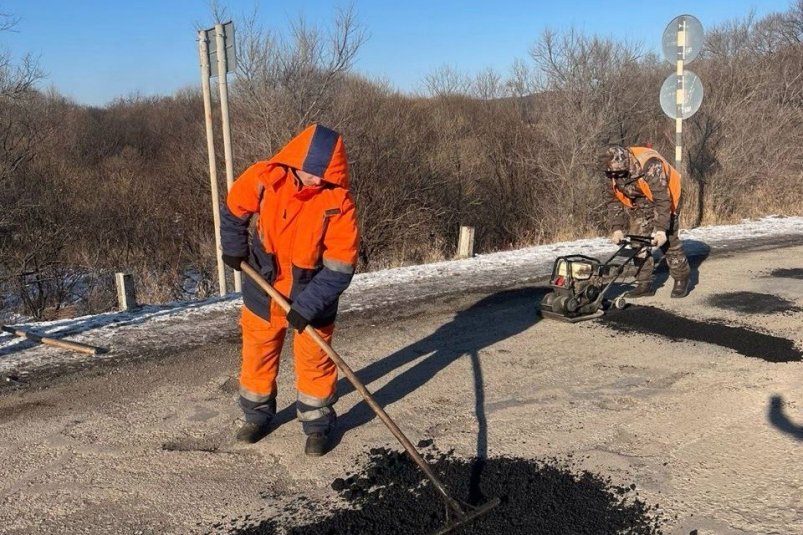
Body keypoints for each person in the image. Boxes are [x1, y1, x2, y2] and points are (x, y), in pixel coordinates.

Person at [219, 124, 359, 456]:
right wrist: (234, 248)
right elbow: (233, 210)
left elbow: (341, 265)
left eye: (324, 174)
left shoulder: (338, 199)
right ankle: (256, 416)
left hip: (314, 292)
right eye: (312, 173)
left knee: (316, 361)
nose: (317, 179)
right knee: (258, 354)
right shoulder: (265, 178)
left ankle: (318, 425)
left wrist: (307, 306)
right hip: (262, 285)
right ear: (295, 160)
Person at [604, 145, 690, 298]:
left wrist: (661, 230)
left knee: (668, 241)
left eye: (620, 173)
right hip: (641, 200)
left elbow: (663, 200)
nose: (616, 176)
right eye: (614, 173)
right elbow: (613, 200)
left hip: (667, 198)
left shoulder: (650, 164)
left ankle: (681, 278)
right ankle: (644, 283)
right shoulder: (612, 170)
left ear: (628, 162)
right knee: (638, 241)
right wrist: (616, 228)